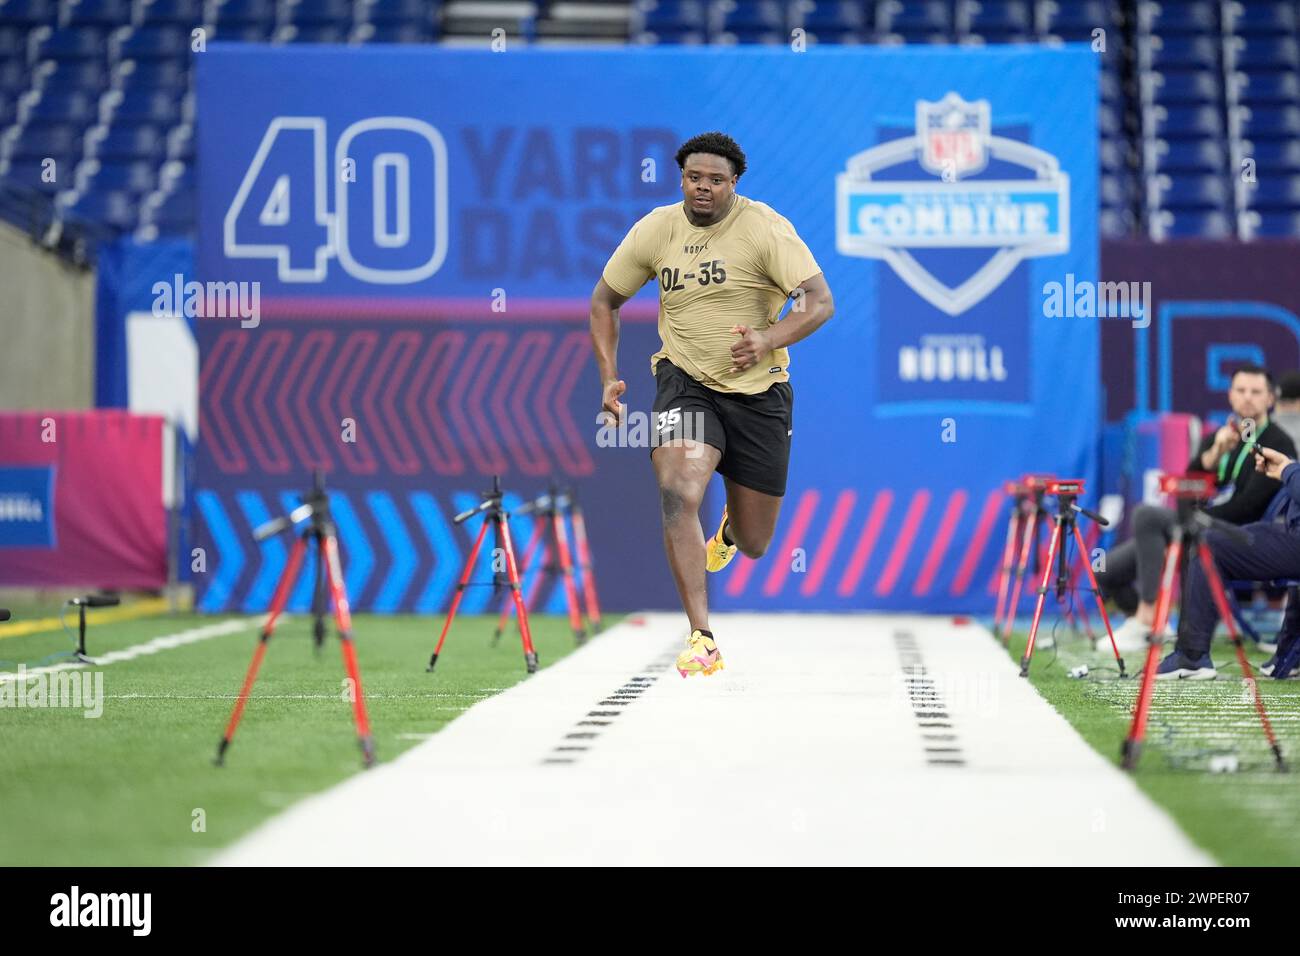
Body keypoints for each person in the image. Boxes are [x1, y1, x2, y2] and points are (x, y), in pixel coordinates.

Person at [588, 131, 834, 677]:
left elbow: (820, 302)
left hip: (759, 394)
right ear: (682, 179)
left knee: (754, 543)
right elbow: (604, 302)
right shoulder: (656, 229)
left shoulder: (765, 228)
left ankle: (725, 532)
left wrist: (769, 340)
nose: (704, 188)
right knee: (678, 486)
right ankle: (702, 635)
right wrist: (609, 377)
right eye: (695, 178)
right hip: (685, 380)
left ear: (734, 184)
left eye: (716, 180)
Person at [1095, 365, 1296, 651]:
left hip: (1236, 533)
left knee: (1147, 515)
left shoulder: (1278, 442)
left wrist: (1192, 523)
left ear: (1270, 399)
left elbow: (1248, 508)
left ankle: (1147, 618)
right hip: (1195, 523)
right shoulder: (1221, 436)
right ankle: (1152, 624)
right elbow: (1185, 486)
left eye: (1256, 392)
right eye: (1241, 390)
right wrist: (1215, 454)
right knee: (1105, 573)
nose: (1248, 397)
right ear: (1230, 396)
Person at [1157, 445, 1300, 679]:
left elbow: (1247, 505)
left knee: (1210, 544)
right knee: (1219, 536)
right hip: (1289, 530)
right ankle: (1290, 654)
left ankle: (1192, 655)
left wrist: (1288, 469)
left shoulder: (1276, 437)